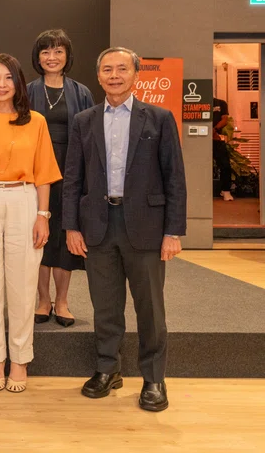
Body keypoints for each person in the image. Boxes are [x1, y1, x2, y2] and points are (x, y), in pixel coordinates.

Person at [63, 47, 186, 413]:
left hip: (146, 227)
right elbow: (73, 179)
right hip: (97, 226)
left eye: (121, 69)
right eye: (107, 69)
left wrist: (173, 231)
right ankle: (107, 368)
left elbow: (174, 178)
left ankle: (153, 378)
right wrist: (71, 226)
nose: (114, 75)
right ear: (98, 76)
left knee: (150, 307)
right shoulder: (84, 120)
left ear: (136, 74)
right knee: (105, 305)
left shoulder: (159, 119)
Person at [0, 53, 61, 393]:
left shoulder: (35, 121)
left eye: (8, 78)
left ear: (18, 83)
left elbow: (45, 174)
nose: (2, 84)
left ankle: (19, 359)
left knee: (22, 283)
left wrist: (43, 215)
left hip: (24, 199)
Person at [26, 30, 95, 328]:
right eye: (45, 52)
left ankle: (63, 301)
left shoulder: (82, 92)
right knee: (39, 239)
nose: (51, 57)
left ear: (67, 56)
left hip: (71, 174)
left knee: (65, 238)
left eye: (58, 51)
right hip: (35, 174)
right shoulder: (26, 91)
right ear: (37, 57)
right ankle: (43, 300)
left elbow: (91, 137)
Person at [213, 97, 234, 201]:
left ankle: (226, 191)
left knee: (225, 165)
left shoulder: (221, 103)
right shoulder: (199, 102)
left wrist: (214, 129)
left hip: (216, 137)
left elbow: (225, 120)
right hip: (199, 138)